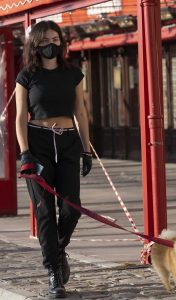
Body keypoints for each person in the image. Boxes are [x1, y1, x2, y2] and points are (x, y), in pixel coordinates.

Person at [15, 20, 92, 299]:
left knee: (72, 207)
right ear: (35, 44)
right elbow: (20, 117)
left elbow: (81, 112)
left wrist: (86, 149)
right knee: (44, 210)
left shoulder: (73, 74)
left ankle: (57, 252)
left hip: (69, 141)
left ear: (61, 41)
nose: (51, 44)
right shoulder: (26, 76)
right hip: (38, 143)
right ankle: (53, 275)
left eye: (55, 38)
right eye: (45, 39)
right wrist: (25, 152)